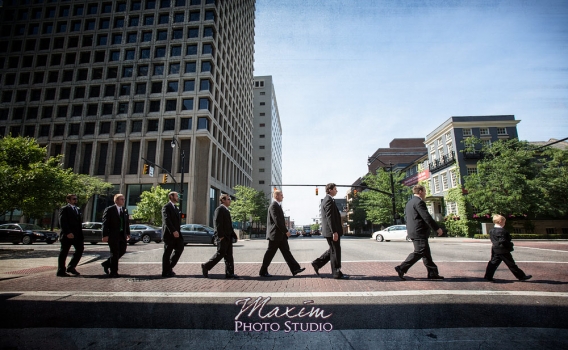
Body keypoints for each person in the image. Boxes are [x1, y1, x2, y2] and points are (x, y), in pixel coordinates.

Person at [395, 184, 444, 281]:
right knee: (420, 251)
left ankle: (432, 272)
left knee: (426, 253)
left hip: (414, 231)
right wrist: (437, 228)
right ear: (420, 191)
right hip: (419, 232)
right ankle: (401, 268)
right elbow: (426, 217)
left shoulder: (410, 202)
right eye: (424, 191)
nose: (425, 193)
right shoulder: (419, 202)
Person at [259, 190, 305, 277]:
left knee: (286, 252)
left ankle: (295, 269)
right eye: (281, 195)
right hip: (275, 235)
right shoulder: (273, 206)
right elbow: (277, 221)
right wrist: (286, 231)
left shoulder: (278, 206)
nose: (283, 197)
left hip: (280, 235)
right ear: (276, 196)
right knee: (270, 253)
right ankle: (263, 271)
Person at [311, 183, 348, 279]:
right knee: (335, 251)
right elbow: (329, 218)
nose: (337, 191)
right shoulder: (328, 200)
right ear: (330, 190)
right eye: (335, 189)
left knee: (332, 250)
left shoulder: (328, 200)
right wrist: (334, 232)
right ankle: (336, 273)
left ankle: (317, 263)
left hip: (331, 231)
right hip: (332, 232)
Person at [484, 214, 532, 282]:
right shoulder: (502, 231)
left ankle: (488, 276)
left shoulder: (491, 230)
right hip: (503, 250)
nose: (504, 223)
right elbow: (503, 240)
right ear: (500, 221)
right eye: (504, 222)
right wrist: (510, 244)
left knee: (493, 263)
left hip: (495, 249)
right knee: (511, 264)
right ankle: (521, 276)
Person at [201, 194, 239, 279]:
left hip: (228, 237)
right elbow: (218, 224)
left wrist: (233, 235)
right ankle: (206, 266)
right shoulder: (219, 209)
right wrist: (220, 236)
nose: (230, 200)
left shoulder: (226, 210)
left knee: (229, 255)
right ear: (223, 200)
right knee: (220, 254)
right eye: (228, 199)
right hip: (223, 237)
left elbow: (228, 225)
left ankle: (230, 273)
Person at [101, 194, 131, 278]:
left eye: (124, 199)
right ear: (116, 200)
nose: (123, 201)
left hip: (122, 235)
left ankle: (106, 264)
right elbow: (105, 223)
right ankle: (114, 272)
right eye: (121, 199)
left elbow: (126, 223)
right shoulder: (110, 210)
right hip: (113, 235)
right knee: (114, 253)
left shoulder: (124, 210)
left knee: (122, 250)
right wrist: (105, 235)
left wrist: (128, 233)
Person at [57, 194, 84, 277]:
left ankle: (71, 267)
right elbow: (62, 222)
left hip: (77, 235)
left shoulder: (78, 209)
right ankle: (61, 270)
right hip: (67, 235)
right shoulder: (64, 209)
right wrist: (67, 232)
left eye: (76, 199)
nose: (75, 200)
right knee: (64, 252)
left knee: (80, 250)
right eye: (73, 199)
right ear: (68, 200)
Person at [161, 191, 184, 278]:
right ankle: (165, 271)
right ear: (171, 196)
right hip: (169, 234)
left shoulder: (176, 208)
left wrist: (177, 231)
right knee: (167, 252)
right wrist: (173, 231)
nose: (177, 197)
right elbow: (167, 220)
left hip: (177, 234)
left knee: (180, 248)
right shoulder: (166, 207)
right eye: (176, 196)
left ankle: (169, 267)